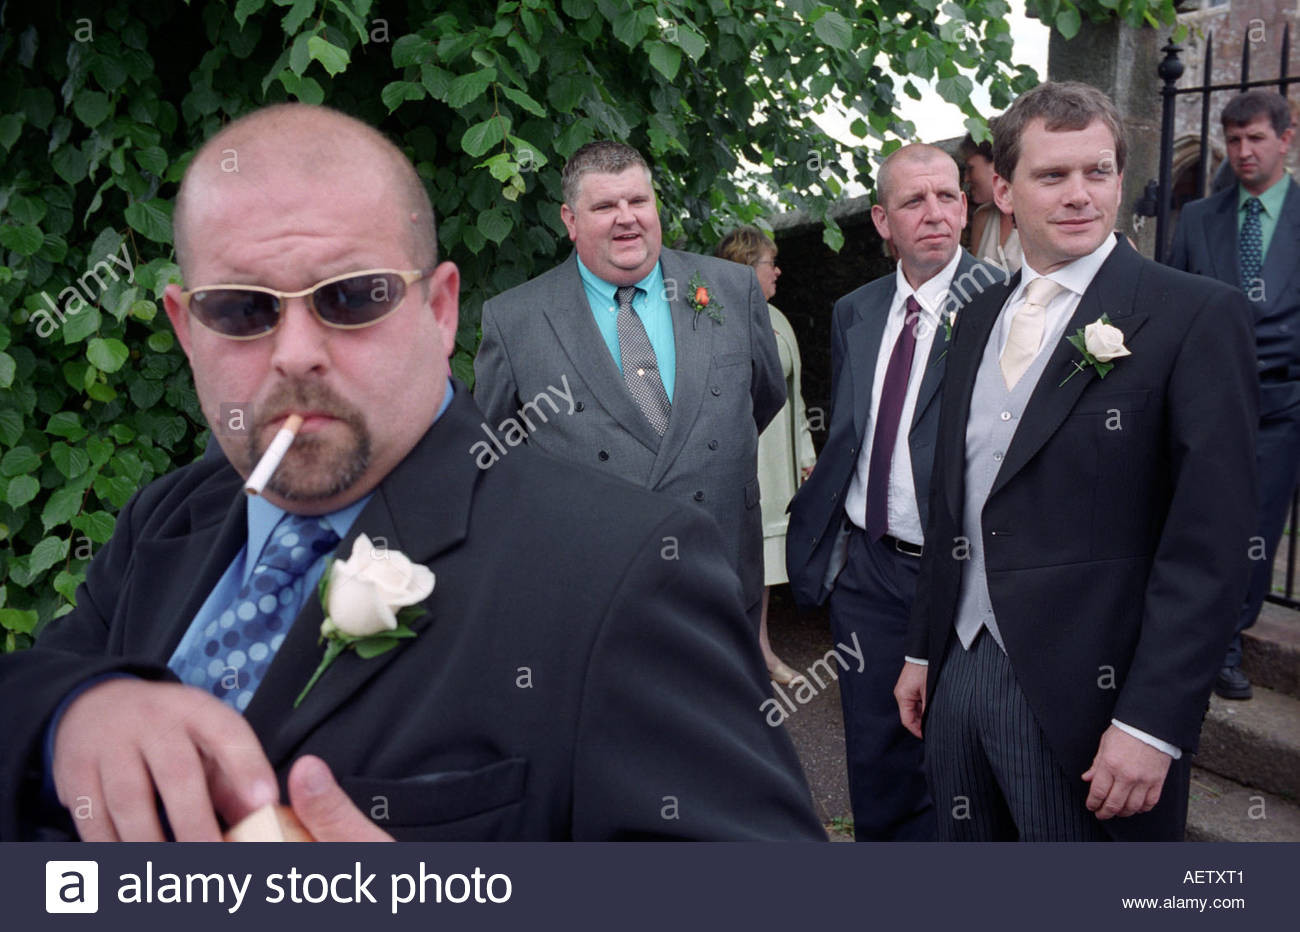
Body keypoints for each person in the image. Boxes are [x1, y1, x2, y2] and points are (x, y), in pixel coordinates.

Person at [0, 104, 826, 842]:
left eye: (352, 296)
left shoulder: (625, 570)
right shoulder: (170, 517)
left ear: (439, 311)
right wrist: (75, 712)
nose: (295, 354)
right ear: (186, 327)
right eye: (242, 308)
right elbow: (33, 684)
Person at [895, 82, 1257, 842]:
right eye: (1052, 176)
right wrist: (925, 649)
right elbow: (951, 495)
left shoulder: (1195, 316)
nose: (1080, 195)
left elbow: (1211, 546)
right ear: (1001, 188)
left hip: (1093, 704)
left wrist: (1153, 723)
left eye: (1097, 172)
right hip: (960, 673)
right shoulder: (978, 314)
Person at [474, 142, 786, 628]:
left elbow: (763, 399)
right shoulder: (516, 321)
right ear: (570, 220)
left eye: (638, 201)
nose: (627, 218)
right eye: (604, 206)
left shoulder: (731, 289)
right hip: (593, 595)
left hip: (721, 573)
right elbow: (496, 457)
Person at [786, 144, 994, 841]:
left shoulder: (1001, 306)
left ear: (967, 207)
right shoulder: (855, 311)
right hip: (869, 570)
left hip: (965, 571)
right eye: (914, 201)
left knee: (962, 756)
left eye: (947, 196)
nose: (934, 213)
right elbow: (856, 424)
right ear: (882, 219)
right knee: (877, 756)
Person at [1168, 89, 1300, 701]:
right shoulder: (1198, 219)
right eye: (1235, 140)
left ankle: (1228, 643)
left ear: (1285, 138)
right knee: (1201, 525)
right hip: (1209, 404)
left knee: (1256, 532)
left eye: (1257, 139)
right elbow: (1174, 310)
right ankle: (1203, 645)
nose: (1244, 152)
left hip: (1282, 408)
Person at [715, 226, 816, 685]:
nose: (777, 271)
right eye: (767, 264)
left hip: (780, 461)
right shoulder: (715, 320)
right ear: (743, 268)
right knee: (736, 559)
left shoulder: (777, 319)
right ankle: (737, 659)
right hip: (743, 459)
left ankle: (760, 650)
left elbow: (795, 396)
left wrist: (806, 454)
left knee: (766, 563)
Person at [960, 131, 1023, 271]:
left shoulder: (1039, 217)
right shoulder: (982, 217)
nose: (966, 179)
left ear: (997, 164)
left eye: (971, 169)